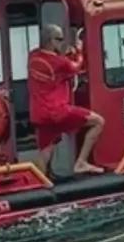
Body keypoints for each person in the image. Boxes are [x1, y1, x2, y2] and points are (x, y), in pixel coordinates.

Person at [27, 24, 105, 175]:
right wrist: (79, 50)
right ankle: (81, 163)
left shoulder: (33, 56)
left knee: (46, 148)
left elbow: (58, 70)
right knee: (98, 121)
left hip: (39, 114)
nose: (62, 43)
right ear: (50, 41)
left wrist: (67, 56)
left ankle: (40, 180)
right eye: (60, 39)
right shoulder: (60, 63)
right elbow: (76, 67)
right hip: (57, 112)